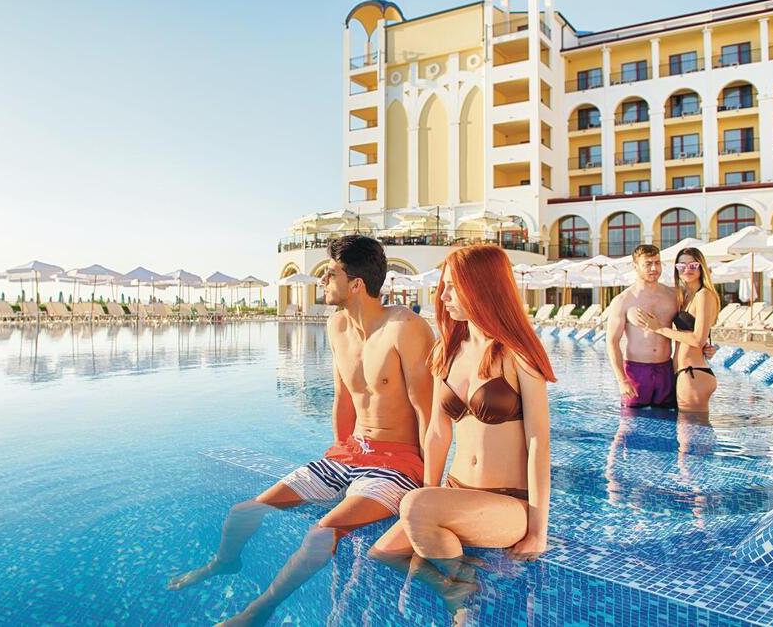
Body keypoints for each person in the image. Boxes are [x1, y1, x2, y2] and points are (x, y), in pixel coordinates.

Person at [168, 235, 435, 626]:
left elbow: (428, 411)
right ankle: (224, 562)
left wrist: (428, 487)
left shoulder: (404, 327)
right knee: (244, 513)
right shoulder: (336, 326)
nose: (322, 280)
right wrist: (338, 458)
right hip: (349, 455)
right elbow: (344, 400)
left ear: (356, 284)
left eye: (330, 274)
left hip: (396, 464)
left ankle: (258, 612)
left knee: (319, 535)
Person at [369, 244, 555, 618]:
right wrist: (427, 497)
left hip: (508, 502)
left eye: (453, 286)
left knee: (414, 509)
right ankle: (462, 583)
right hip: (456, 493)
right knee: (382, 553)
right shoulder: (447, 351)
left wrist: (538, 530)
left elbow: (539, 443)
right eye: (444, 286)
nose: (443, 296)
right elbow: (438, 433)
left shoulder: (518, 355)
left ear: (482, 287)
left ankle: (463, 605)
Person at [631, 248, 720, 411]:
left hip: (693, 374)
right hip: (685, 373)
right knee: (690, 426)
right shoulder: (685, 296)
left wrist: (659, 328)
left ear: (701, 267)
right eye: (681, 266)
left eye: (693, 265)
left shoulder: (704, 295)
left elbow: (697, 339)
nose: (687, 269)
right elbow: (697, 335)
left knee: (692, 426)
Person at [605, 244, 679, 408]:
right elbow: (612, 342)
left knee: (669, 419)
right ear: (635, 266)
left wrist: (704, 345)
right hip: (636, 372)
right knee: (631, 420)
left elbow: (688, 327)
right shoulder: (623, 300)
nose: (654, 268)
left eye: (657, 263)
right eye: (648, 264)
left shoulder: (673, 296)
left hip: (666, 370)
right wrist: (622, 380)